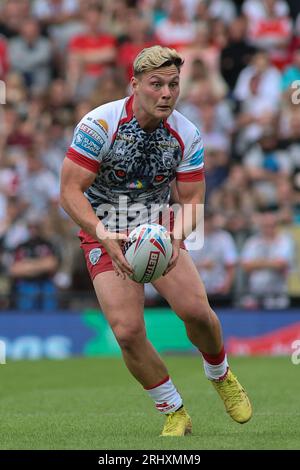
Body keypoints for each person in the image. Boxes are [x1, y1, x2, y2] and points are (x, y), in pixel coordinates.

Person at [60, 45, 252, 437]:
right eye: (156, 85)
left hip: (158, 223)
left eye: (173, 85)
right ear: (135, 85)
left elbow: (194, 200)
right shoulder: (99, 125)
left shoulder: (186, 133)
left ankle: (219, 372)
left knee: (197, 312)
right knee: (127, 331)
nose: (166, 93)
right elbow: (69, 192)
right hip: (104, 225)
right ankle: (174, 410)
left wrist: (175, 238)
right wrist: (102, 234)